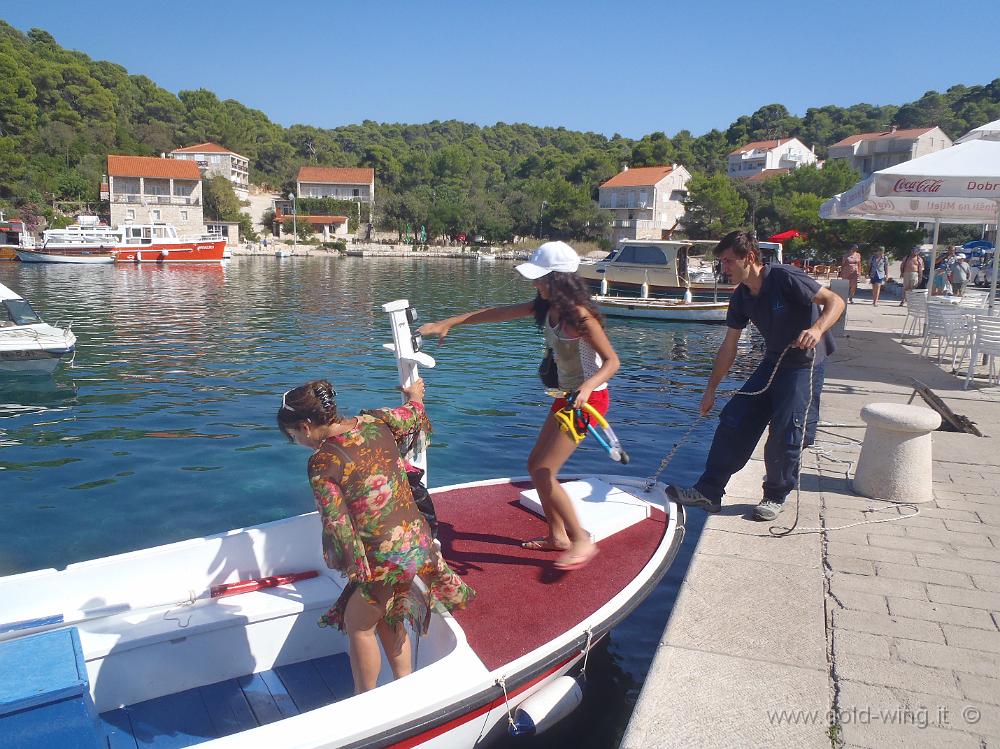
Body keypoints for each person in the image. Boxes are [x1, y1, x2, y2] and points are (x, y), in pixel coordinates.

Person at [418, 241, 620, 571]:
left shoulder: (580, 317)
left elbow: (612, 362)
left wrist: (586, 387)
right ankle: (558, 537)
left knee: (544, 470)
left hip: (589, 400)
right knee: (534, 466)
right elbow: (497, 313)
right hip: (566, 398)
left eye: (540, 279)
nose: (535, 284)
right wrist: (451, 322)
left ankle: (581, 539)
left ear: (559, 280)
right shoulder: (545, 307)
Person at [277, 379, 474, 693]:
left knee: (358, 625)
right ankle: (404, 686)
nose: (297, 441)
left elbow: (337, 525)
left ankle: (365, 699)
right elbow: (412, 414)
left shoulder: (322, 461)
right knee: (386, 614)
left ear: (305, 425)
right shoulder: (375, 421)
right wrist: (415, 396)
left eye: (294, 436)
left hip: (383, 557)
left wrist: (351, 566)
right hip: (416, 542)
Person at [665, 231, 845, 521]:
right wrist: (710, 390)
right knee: (735, 417)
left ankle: (775, 495)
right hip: (773, 361)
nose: (723, 269)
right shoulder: (742, 297)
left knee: (787, 429)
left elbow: (835, 301)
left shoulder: (786, 278)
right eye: (721, 263)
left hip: (804, 363)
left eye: (727, 261)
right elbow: (729, 346)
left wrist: (816, 329)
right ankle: (709, 491)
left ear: (749, 258)